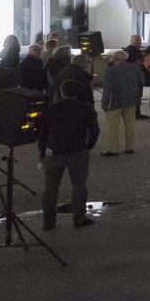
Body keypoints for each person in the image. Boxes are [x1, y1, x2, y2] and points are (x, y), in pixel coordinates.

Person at [38, 79, 98, 230]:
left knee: (50, 187)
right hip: (77, 151)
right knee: (79, 186)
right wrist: (88, 145)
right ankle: (79, 217)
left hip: (54, 151)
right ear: (78, 93)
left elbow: (42, 133)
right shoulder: (86, 109)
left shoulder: (50, 109)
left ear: (61, 92)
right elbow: (94, 130)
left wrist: (42, 152)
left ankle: (48, 221)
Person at [99, 49, 142, 156]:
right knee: (130, 124)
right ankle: (129, 147)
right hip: (131, 99)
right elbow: (141, 82)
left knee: (113, 125)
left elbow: (107, 89)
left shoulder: (110, 71)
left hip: (114, 101)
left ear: (114, 59)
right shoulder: (135, 68)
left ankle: (113, 149)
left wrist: (104, 103)